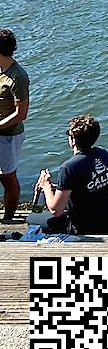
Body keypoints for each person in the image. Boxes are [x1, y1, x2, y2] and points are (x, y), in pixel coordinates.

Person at [34, 114, 108, 235]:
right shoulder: (102, 153)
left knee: (37, 217)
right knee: (52, 192)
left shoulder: (68, 167)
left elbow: (56, 211)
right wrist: (56, 187)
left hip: (86, 225)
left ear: (73, 140)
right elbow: (84, 185)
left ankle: (35, 215)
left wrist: (46, 185)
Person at [0, 29, 30, 224]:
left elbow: (21, 114)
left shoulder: (17, 77)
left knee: (8, 178)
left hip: (8, 136)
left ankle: (9, 217)